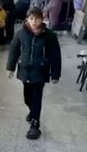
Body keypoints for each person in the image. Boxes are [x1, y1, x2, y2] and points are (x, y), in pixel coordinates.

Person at [6, 8, 62, 140]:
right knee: (27, 98)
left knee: (37, 97)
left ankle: (35, 124)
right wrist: (10, 68)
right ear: (27, 19)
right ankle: (32, 112)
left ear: (42, 19)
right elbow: (14, 50)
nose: (34, 22)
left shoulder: (49, 35)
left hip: (40, 71)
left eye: (37, 18)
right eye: (31, 18)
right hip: (25, 71)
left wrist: (55, 73)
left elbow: (55, 55)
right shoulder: (21, 33)